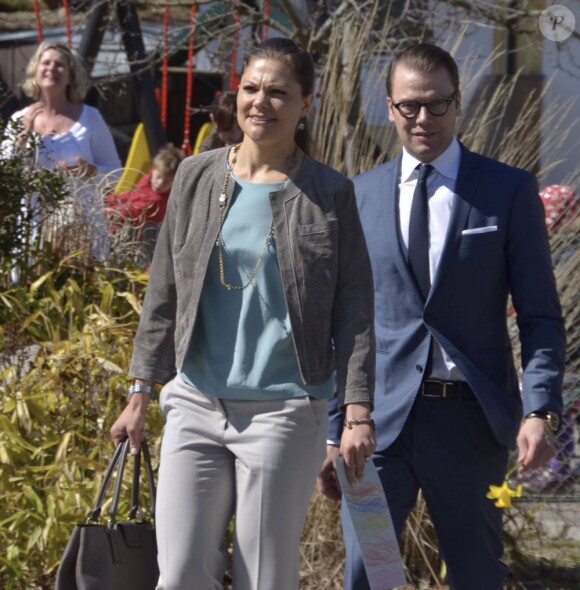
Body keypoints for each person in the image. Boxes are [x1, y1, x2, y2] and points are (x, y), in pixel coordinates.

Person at [110, 37, 376, 590]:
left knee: (264, 578)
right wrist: (139, 391)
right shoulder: (195, 176)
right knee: (180, 573)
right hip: (194, 401)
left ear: (307, 103)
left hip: (283, 411)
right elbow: (164, 291)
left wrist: (356, 414)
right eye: (251, 89)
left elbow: (354, 310)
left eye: (279, 92)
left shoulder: (329, 193)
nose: (261, 102)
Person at [317, 43, 566, 590]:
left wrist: (540, 408)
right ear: (389, 107)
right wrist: (333, 430)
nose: (423, 118)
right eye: (410, 106)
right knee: (371, 574)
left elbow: (540, 315)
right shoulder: (359, 195)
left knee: (476, 575)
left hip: (469, 425)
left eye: (437, 104)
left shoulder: (506, 190)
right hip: (375, 430)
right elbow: (346, 322)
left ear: (458, 106)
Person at [1, 40, 121, 260]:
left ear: (71, 75)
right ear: (35, 71)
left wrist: (90, 171)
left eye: (60, 65)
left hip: (81, 229)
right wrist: (22, 136)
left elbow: (116, 174)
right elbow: (5, 173)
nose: (52, 69)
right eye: (45, 63)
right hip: (33, 228)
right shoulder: (19, 119)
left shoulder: (91, 118)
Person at [105, 143, 185, 263]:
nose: (160, 183)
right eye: (158, 177)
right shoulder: (148, 179)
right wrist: (113, 200)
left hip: (142, 232)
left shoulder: (156, 200)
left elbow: (133, 210)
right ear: (153, 170)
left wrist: (113, 210)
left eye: (167, 182)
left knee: (137, 259)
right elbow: (133, 196)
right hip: (131, 223)